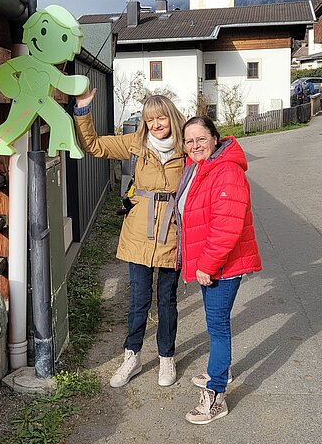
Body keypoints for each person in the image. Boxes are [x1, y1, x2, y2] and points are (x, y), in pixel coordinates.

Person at [74, 88, 185, 388]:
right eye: (151, 119)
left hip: (173, 232)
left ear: (172, 118)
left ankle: (166, 358)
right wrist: (83, 110)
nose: (156, 124)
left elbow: (213, 159)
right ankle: (132, 357)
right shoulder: (136, 145)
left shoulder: (186, 148)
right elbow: (94, 146)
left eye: (161, 117)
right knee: (138, 300)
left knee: (167, 300)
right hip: (138, 231)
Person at [175, 116, 262, 425]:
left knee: (218, 327)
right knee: (217, 324)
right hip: (209, 265)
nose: (195, 145)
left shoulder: (226, 171)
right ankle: (219, 370)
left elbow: (226, 227)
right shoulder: (200, 167)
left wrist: (206, 265)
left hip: (221, 266)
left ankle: (217, 394)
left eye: (201, 138)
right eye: (189, 141)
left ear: (214, 138)